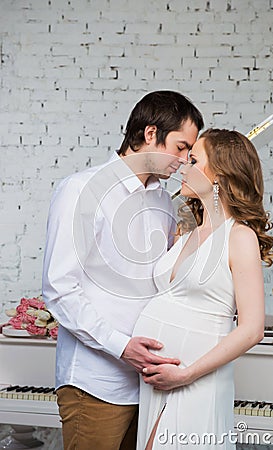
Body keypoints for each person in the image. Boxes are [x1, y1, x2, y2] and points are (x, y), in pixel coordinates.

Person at [42, 90, 204, 450]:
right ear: (149, 134)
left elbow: (160, 284)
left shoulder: (163, 200)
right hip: (95, 383)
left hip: (149, 384)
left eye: (189, 152)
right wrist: (121, 348)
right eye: (180, 147)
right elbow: (59, 290)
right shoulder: (80, 190)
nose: (183, 160)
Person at [133, 128, 273, 449]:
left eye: (194, 160)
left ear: (219, 176)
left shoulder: (239, 236)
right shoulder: (187, 234)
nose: (183, 165)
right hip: (158, 384)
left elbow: (252, 329)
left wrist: (186, 375)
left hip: (195, 381)